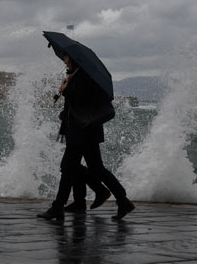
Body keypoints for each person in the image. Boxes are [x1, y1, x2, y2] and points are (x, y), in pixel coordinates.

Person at [37, 54, 134, 221]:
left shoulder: (84, 76)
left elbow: (82, 99)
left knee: (68, 167)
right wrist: (64, 113)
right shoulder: (77, 75)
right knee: (94, 168)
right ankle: (121, 201)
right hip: (84, 129)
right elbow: (79, 106)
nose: (64, 61)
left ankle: (58, 207)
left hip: (83, 131)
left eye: (66, 58)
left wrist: (64, 89)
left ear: (74, 60)